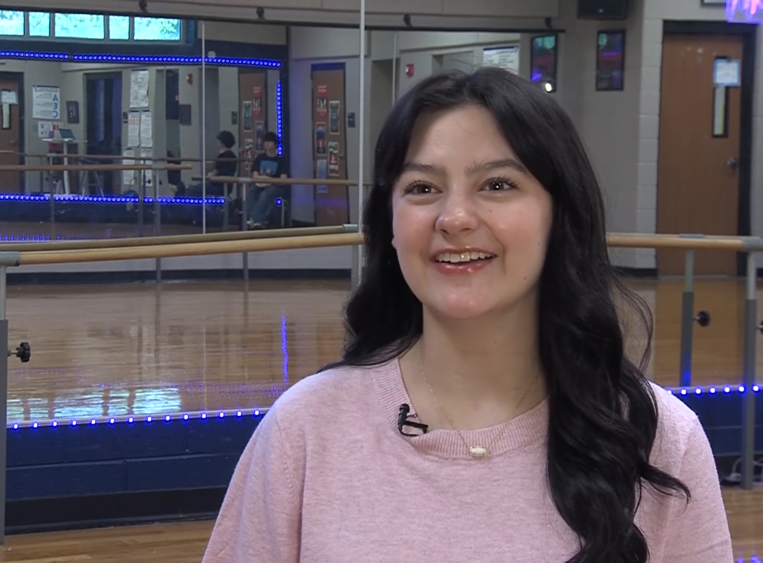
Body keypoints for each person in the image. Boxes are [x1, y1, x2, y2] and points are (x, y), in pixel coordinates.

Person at [202, 68, 732, 562]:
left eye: (497, 185)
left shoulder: (658, 439)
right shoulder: (305, 430)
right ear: (389, 224)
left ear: (560, 216)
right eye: (422, 188)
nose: (454, 218)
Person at [246, 132, 288, 229]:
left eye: (269, 141)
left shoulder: (281, 160)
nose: (266, 144)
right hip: (259, 184)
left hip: (275, 186)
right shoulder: (260, 158)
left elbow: (283, 179)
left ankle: (253, 219)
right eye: (265, 142)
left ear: (275, 144)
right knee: (251, 192)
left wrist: (269, 180)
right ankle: (258, 221)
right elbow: (255, 175)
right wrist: (263, 180)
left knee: (265, 195)